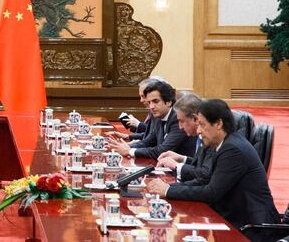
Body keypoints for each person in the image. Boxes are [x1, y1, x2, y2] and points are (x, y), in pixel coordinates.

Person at [146, 99, 280, 241]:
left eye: (202, 125)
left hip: (252, 228)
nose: (198, 130)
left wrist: (168, 191)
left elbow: (212, 192)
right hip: (236, 219)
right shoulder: (225, 144)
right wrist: (169, 187)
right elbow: (205, 179)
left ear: (218, 124)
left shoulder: (232, 149)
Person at [108, 80, 194, 159]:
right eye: (149, 102)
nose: (151, 107)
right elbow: (148, 141)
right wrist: (124, 147)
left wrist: (130, 151)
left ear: (168, 102)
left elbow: (163, 150)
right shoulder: (158, 116)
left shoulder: (177, 119)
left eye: (155, 101)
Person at [155, 93, 214, 182]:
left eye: (181, 121)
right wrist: (182, 158)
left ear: (195, 119)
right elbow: (199, 166)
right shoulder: (200, 137)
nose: (180, 127)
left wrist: (176, 165)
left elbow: (205, 174)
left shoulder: (210, 139)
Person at [107, 76, 166, 142]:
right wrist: (128, 136)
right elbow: (150, 134)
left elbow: (157, 141)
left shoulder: (165, 113)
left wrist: (138, 124)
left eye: (143, 96)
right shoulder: (153, 110)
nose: (141, 100)